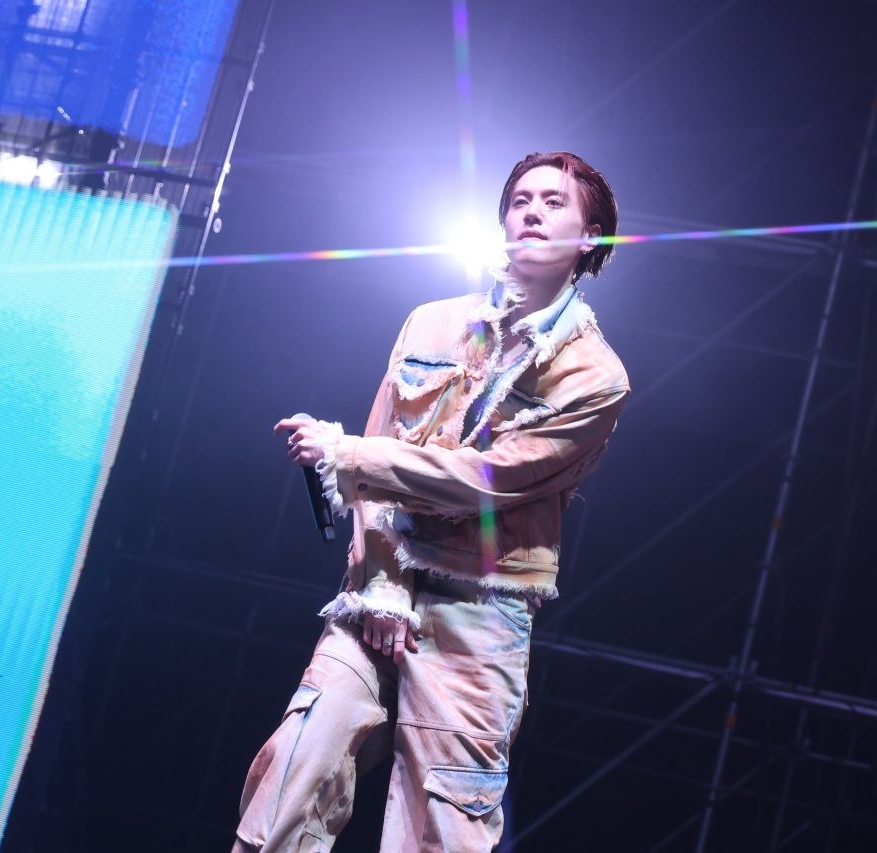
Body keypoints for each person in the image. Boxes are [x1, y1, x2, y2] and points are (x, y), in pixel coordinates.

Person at [232, 151, 629, 852]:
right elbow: (378, 460)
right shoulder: (432, 322)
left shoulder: (594, 376)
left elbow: (486, 481)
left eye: (553, 202)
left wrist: (346, 454)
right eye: (520, 200)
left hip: (479, 612)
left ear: (589, 236)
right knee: (292, 770)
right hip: (377, 586)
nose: (532, 212)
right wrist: (381, 584)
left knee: (442, 825)